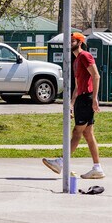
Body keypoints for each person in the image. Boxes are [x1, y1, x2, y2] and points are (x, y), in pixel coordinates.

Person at [42, 32, 105, 179]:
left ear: (80, 42)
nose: (70, 43)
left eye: (73, 41)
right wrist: (71, 104)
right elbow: (77, 86)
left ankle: (61, 162)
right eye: (69, 41)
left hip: (87, 98)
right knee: (88, 134)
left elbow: (96, 75)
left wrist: (94, 98)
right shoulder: (76, 60)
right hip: (81, 98)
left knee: (77, 132)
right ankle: (97, 168)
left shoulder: (85, 56)